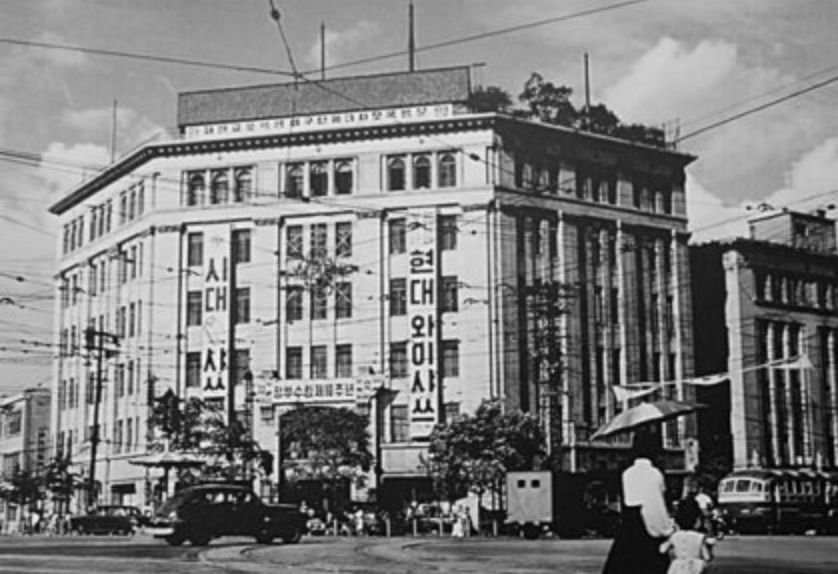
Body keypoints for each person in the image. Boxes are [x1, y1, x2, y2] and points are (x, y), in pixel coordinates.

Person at [602, 429, 675, 574]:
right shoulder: (655, 474)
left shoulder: (626, 473)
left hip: (628, 530)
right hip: (646, 532)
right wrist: (666, 529)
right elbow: (655, 506)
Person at [659, 496, 715, 574]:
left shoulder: (674, 536)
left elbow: (662, 549)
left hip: (677, 567)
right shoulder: (699, 537)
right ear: (697, 521)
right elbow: (707, 557)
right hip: (695, 567)